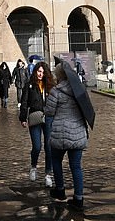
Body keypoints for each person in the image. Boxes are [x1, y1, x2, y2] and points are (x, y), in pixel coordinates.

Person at [45, 62, 90, 210]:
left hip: (60, 133)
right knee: (76, 167)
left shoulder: (56, 92)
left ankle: (60, 190)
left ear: (59, 76)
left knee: (56, 160)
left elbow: (49, 113)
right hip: (78, 133)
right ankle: (78, 198)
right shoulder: (80, 90)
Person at [19, 61, 55, 188]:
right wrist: (23, 118)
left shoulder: (50, 86)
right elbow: (24, 102)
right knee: (37, 146)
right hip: (35, 117)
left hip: (49, 118)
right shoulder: (30, 85)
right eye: (39, 72)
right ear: (35, 72)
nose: (41, 74)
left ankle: (48, 174)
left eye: (43, 72)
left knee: (49, 147)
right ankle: (33, 167)